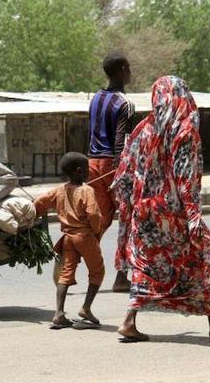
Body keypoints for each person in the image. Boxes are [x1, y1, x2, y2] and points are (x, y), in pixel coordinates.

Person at [113, 76, 210, 342]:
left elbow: (125, 172)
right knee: (197, 260)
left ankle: (129, 321)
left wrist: (126, 202)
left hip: (144, 212)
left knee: (146, 265)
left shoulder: (144, 128)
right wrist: (193, 214)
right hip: (172, 214)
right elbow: (184, 175)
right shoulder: (184, 130)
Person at [35, 152, 105, 329]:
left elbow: (40, 202)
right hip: (85, 237)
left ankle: (59, 313)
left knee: (65, 274)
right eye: (87, 169)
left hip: (68, 239)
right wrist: (96, 232)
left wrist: (33, 212)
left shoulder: (60, 190)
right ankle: (86, 308)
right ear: (80, 171)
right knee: (97, 271)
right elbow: (94, 214)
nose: (89, 172)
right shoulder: (87, 191)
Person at [88, 52, 134, 293]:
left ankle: (71, 260)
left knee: (99, 221)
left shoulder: (95, 98)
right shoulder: (124, 103)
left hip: (93, 164)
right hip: (113, 165)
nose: (130, 72)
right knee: (128, 219)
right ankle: (122, 276)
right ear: (121, 71)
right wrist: (121, 172)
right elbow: (121, 139)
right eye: (128, 68)